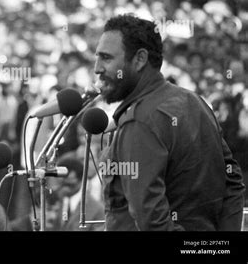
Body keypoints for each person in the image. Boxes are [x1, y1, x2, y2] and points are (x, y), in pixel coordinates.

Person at [93, 14, 245, 231]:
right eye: (97, 57)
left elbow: (152, 221)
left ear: (140, 59)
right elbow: (233, 183)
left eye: (106, 58)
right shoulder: (195, 102)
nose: (97, 68)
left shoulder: (140, 122)